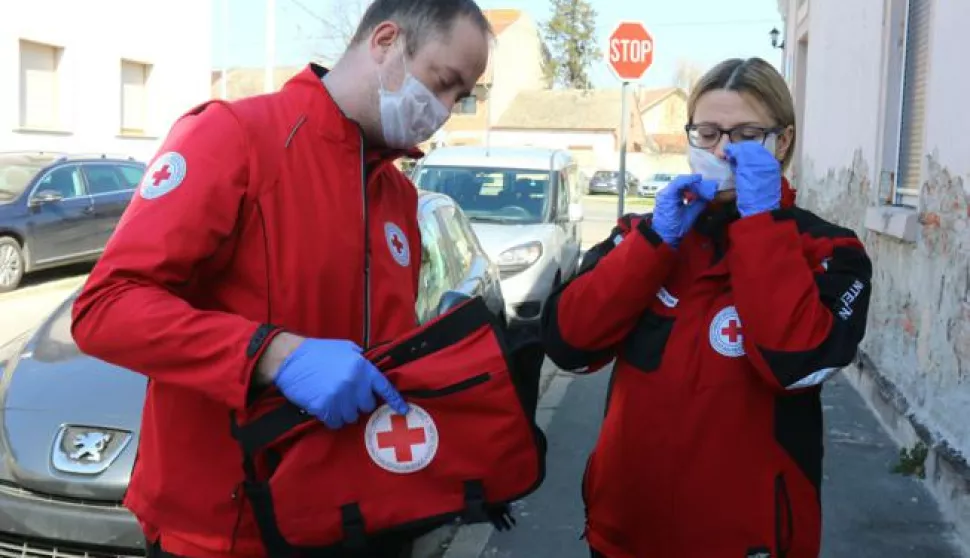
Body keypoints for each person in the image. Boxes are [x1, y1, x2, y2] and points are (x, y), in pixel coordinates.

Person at [70, 1, 491, 557]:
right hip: (226, 531)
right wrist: (274, 355)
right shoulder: (235, 136)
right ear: (386, 40)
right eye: (442, 82)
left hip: (353, 519)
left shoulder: (397, 195)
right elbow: (105, 308)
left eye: (460, 97)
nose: (445, 110)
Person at [540, 57, 873, 558]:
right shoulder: (643, 236)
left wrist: (760, 225)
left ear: (782, 142)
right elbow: (569, 344)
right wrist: (654, 243)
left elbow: (797, 363)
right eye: (708, 133)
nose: (722, 150)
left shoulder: (829, 250)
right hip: (626, 531)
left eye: (746, 136)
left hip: (747, 540)